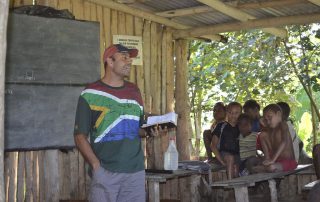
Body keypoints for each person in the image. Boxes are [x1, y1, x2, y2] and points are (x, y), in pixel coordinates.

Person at [74, 44, 158, 202]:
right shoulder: (90, 93)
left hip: (135, 172)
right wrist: (97, 167)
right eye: (124, 57)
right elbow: (79, 137)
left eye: (130, 58)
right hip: (105, 172)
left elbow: (137, 129)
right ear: (110, 62)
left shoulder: (134, 91)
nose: (129, 62)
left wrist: (150, 131)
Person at [253, 104, 297, 173]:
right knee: (262, 134)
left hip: (289, 162)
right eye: (266, 120)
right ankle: (267, 162)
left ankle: (267, 169)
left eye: (270, 118)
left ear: (279, 114)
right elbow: (263, 133)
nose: (268, 121)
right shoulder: (270, 130)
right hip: (276, 161)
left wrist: (273, 160)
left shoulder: (283, 124)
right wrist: (268, 159)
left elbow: (284, 141)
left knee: (271, 167)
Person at [210, 102, 242, 179]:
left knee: (236, 171)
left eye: (236, 113)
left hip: (237, 155)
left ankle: (237, 186)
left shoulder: (241, 127)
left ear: (241, 113)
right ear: (227, 113)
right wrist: (221, 160)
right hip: (223, 154)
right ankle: (230, 183)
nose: (233, 115)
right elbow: (213, 146)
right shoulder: (221, 126)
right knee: (230, 158)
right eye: (231, 112)